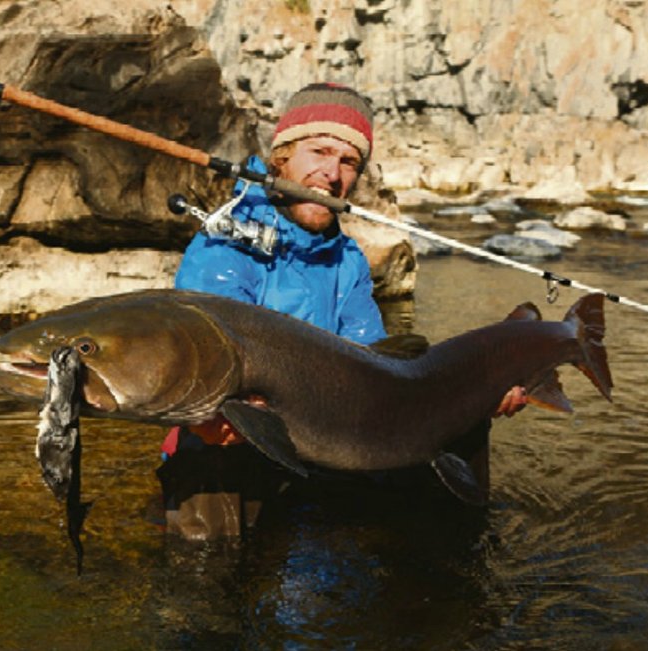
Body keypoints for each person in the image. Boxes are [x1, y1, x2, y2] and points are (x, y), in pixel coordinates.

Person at [155, 82, 526, 540]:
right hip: (229, 440)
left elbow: (372, 361)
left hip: (323, 434)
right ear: (282, 157)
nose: (331, 174)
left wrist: (473, 395)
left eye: (348, 162)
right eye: (319, 151)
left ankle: (441, 574)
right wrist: (214, 420)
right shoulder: (223, 244)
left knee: (456, 427)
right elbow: (196, 368)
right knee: (211, 488)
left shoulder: (347, 258)